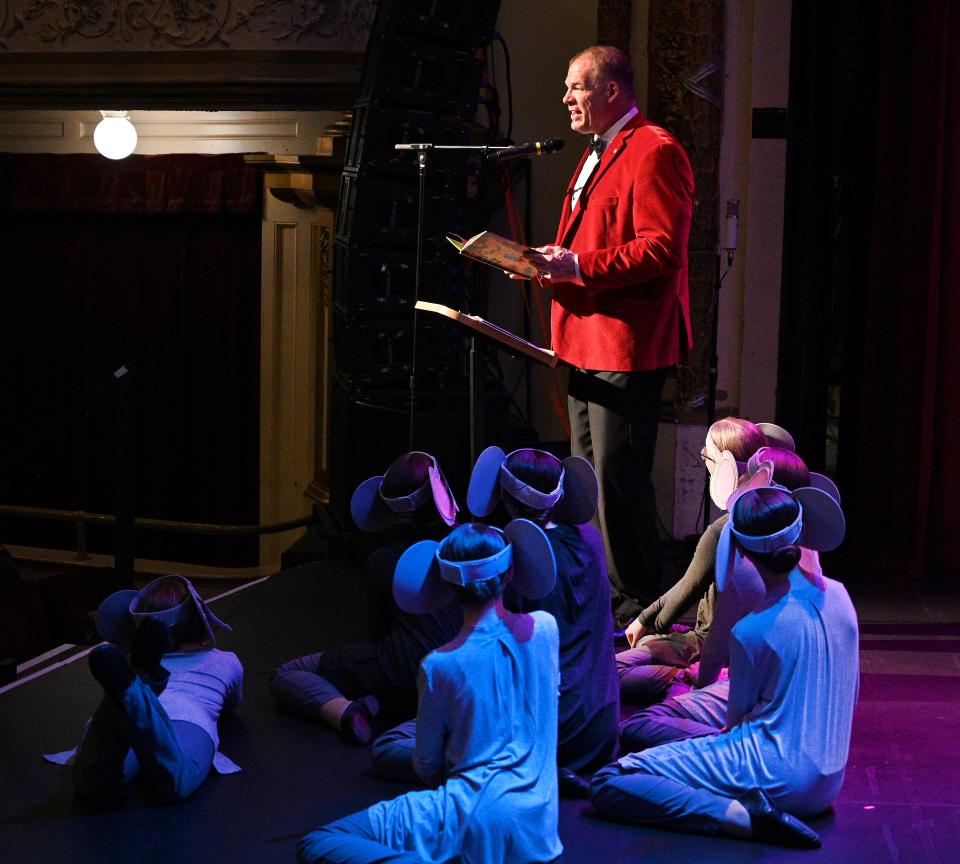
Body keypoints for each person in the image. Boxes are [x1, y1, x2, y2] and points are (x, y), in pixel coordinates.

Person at [521, 44, 695, 625]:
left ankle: (643, 603)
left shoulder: (654, 150)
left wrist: (578, 267)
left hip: (625, 341)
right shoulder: (597, 152)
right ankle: (605, 597)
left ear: (611, 91)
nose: (566, 98)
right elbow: (592, 237)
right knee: (587, 479)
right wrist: (554, 258)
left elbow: (662, 249)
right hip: (585, 337)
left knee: (619, 480)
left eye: (576, 87)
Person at [590, 485, 859, 849]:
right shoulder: (841, 596)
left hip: (775, 777)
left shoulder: (753, 630)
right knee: (657, 738)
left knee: (610, 779)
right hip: (828, 781)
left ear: (741, 553)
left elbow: (733, 726)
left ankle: (741, 819)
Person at [296, 521, 563, 864]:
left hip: (469, 816)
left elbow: (425, 766)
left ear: (448, 589)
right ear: (510, 572)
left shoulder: (440, 665)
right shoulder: (546, 628)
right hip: (538, 828)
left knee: (319, 841)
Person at [372, 446, 619, 799]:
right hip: (600, 733)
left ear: (501, 493)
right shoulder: (592, 539)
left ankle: (505, 772)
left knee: (390, 745)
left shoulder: (514, 562)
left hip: (545, 737)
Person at [270, 452, 462, 745]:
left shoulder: (383, 561)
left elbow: (378, 633)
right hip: (465, 677)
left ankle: (344, 711)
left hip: (400, 674)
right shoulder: (476, 546)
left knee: (287, 674)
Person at [616, 419, 798, 704]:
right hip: (756, 650)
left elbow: (688, 589)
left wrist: (647, 621)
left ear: (726, 466)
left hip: (712, 646)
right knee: (650, 644)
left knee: (618, 668)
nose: (705, 464)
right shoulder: (787, 525)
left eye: (707, 457)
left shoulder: (724, 529)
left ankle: (689, 685)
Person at [45, 574, 243, 803]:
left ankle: (131, 690)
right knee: (177, 779)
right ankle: (135, 691)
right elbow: (232, 703)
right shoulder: (225, 661)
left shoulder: (123, 660)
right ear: (197, 619)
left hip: (121, 714)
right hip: (187, 715)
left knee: (94, 783)